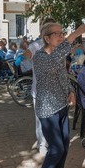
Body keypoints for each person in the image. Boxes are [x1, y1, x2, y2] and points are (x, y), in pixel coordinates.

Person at [33, 22, 85, 168]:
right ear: (46, 38)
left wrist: (71, 91)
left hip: (61, 105)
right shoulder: (40, 57)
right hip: (48, 109)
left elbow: (62, 76)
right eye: (57, 34)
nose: (62, 36)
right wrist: (75, 34)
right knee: (56, 148)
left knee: (65, 146)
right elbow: (54, 59)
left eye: (63, 33)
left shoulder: (57, 56)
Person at [28, 17, 56, 155]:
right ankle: (42, 144)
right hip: (39, 89)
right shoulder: (35, 46)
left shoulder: (58, 46)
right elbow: (24, 58)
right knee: (41, 118)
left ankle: (51, 141)